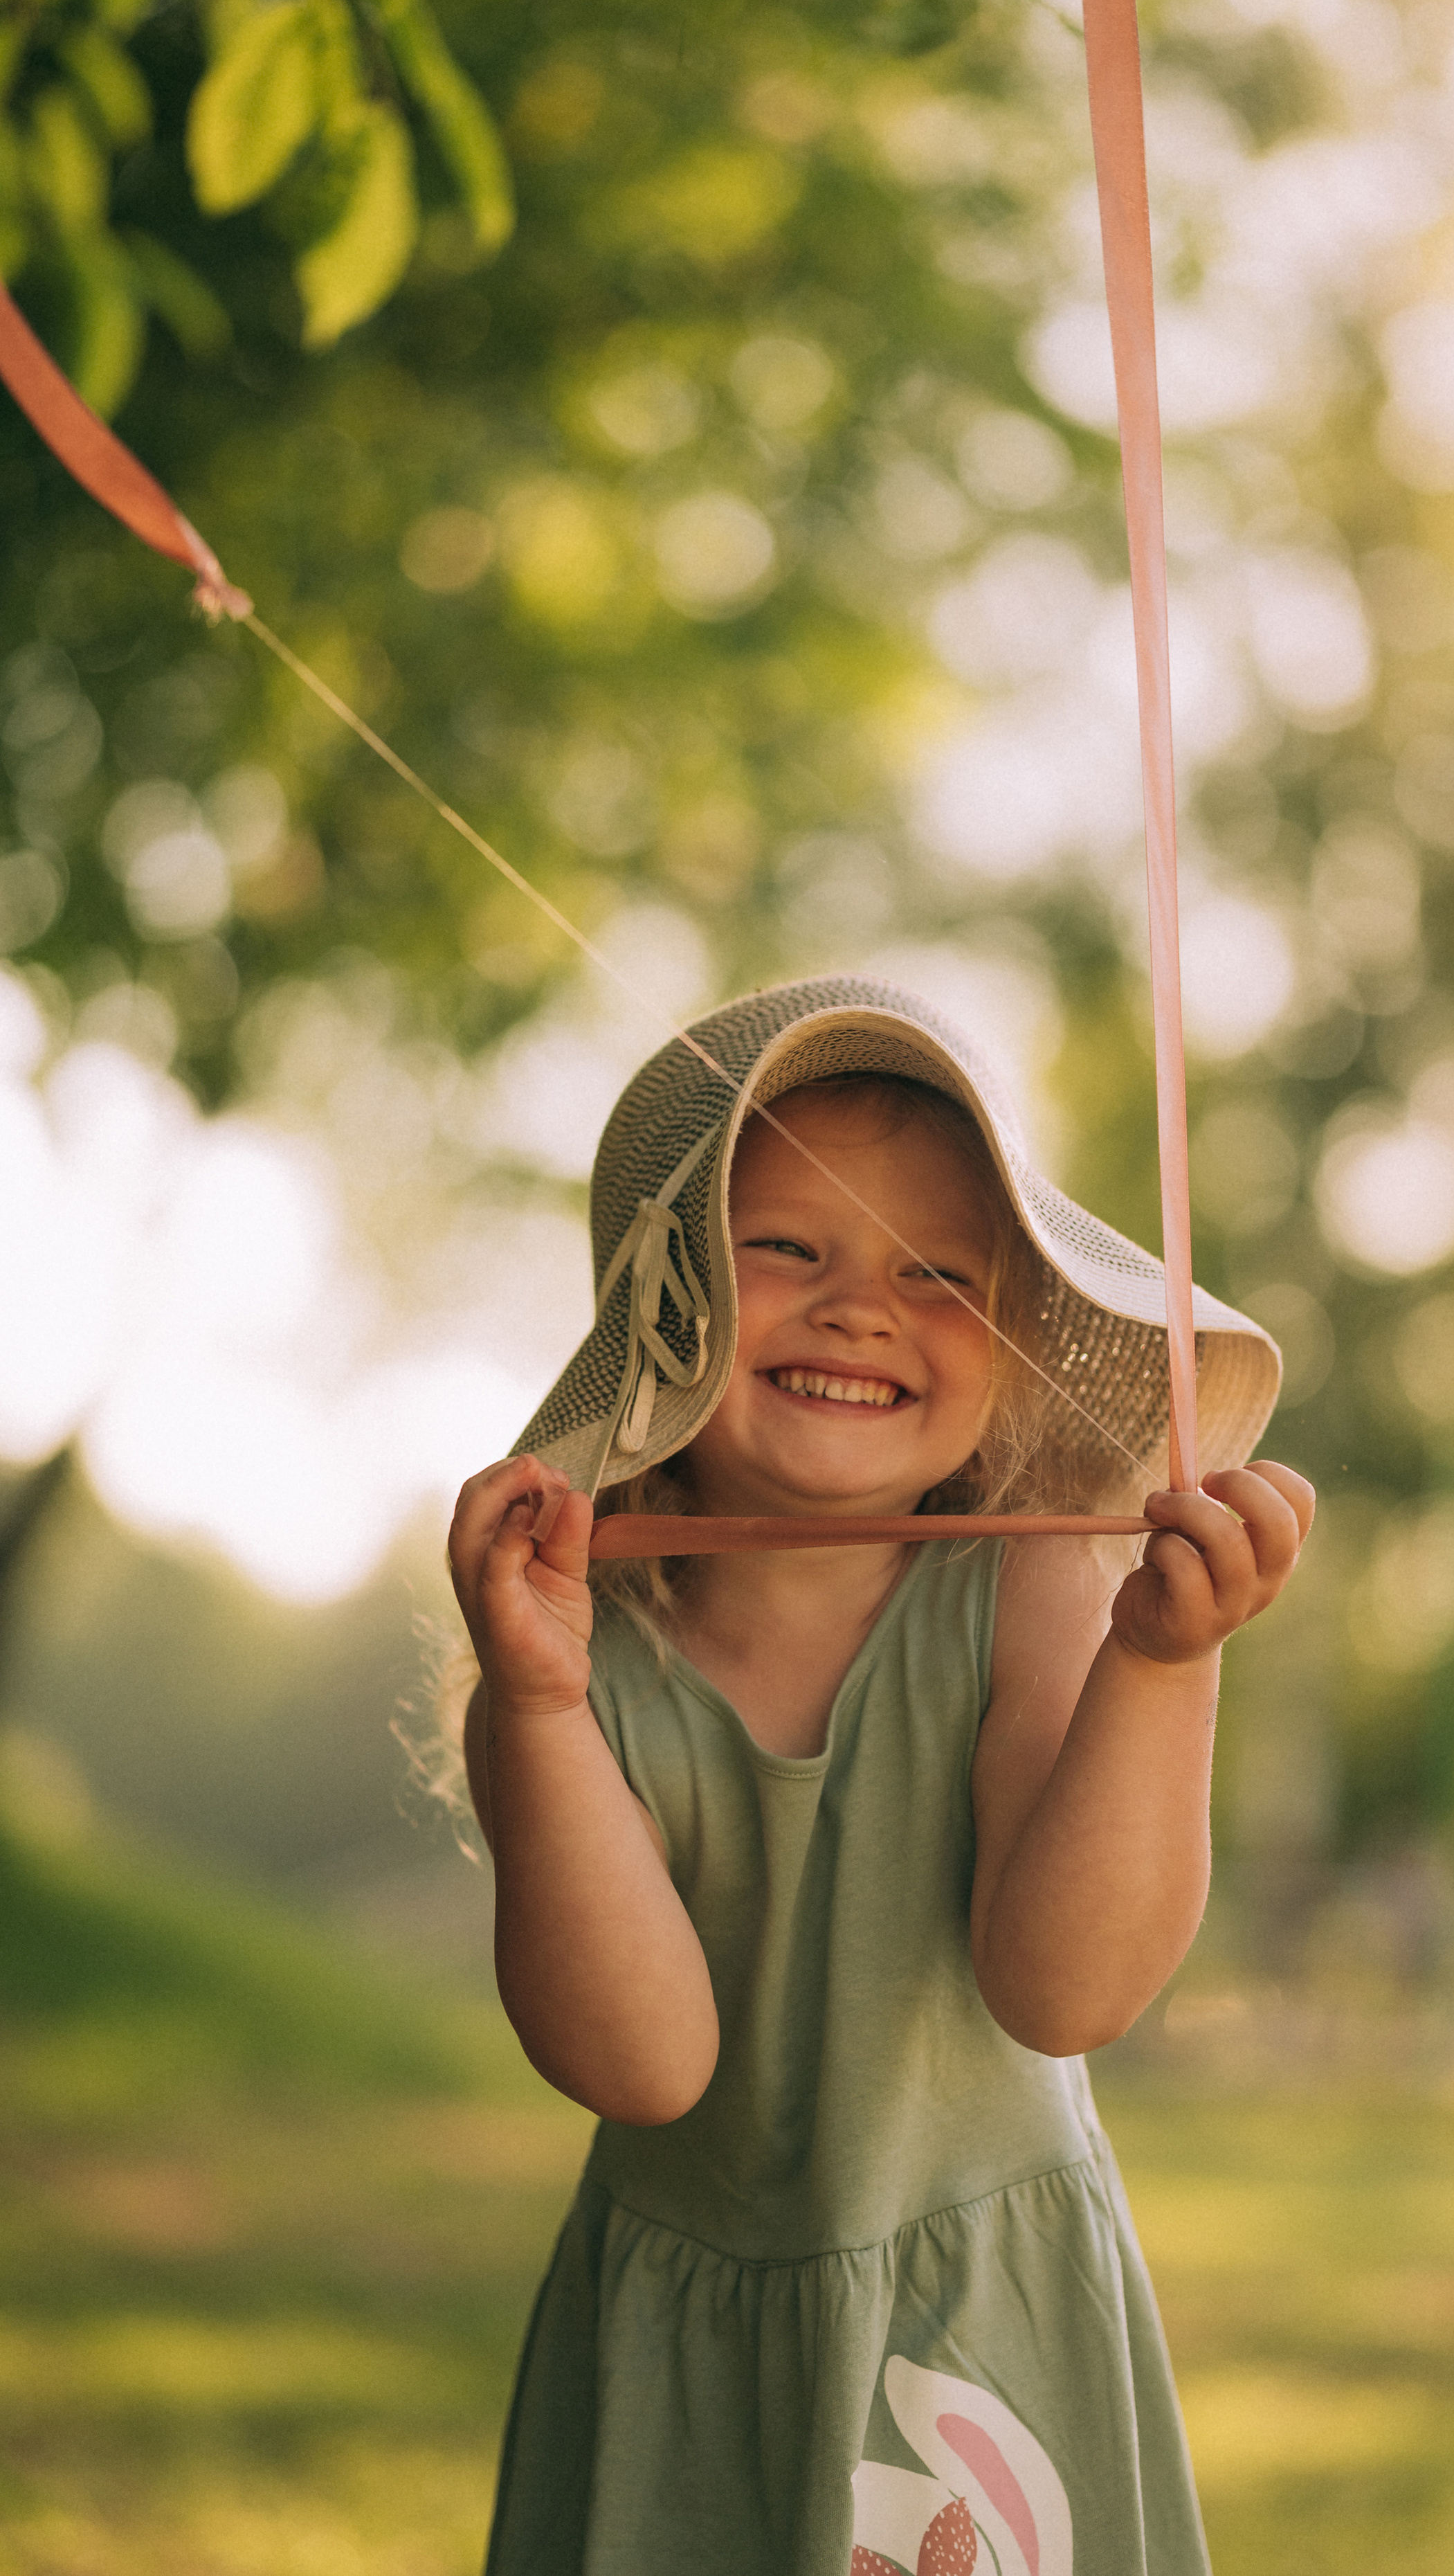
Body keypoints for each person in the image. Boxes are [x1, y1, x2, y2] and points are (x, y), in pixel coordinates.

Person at [446, 973, 1311, 2576]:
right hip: (682, 2344)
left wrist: (1162, 1665)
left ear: (1012, 1342)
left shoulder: (1041, 1590)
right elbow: (640, 2064)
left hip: (979, 2333)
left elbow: (1066, 1988)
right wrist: (543, 1704)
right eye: (789, 1246)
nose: (861, 1306)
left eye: (939, 1274)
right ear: (668, 1301)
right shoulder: (568, 1657)